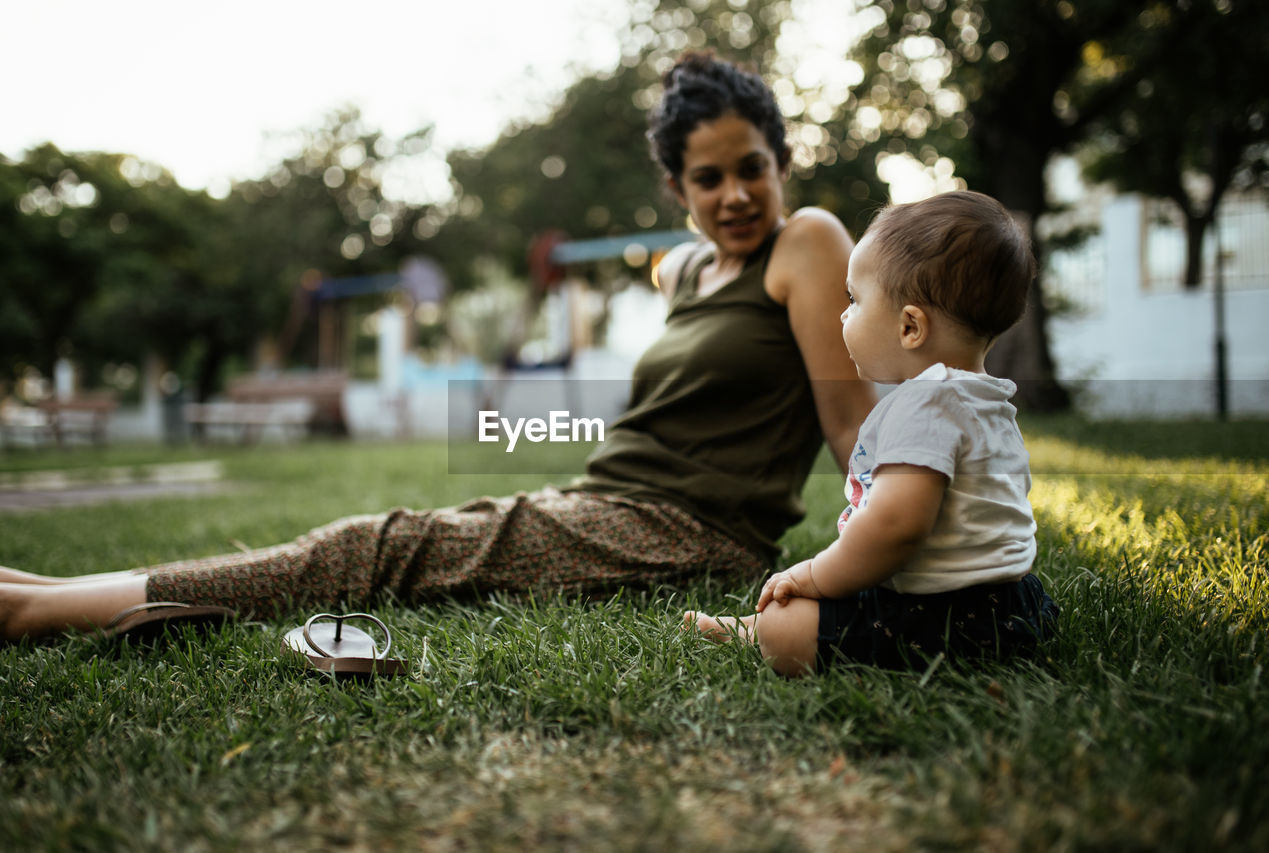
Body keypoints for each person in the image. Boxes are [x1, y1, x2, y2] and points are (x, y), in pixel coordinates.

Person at [0, 51, 875, 642]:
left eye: (751, 167)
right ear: (676, 186)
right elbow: (680, 273)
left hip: (689, 535)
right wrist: (694, 263)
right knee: (395, 540)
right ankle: (47, 588)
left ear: (782, 160)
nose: (734, 194)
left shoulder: (808, 242)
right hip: (610, 506)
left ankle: (37, 610)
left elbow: (849, 427)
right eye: (706, 178)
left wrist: (885, 551)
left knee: (383, 546)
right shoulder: (689, 274)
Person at [685, 190, 1060, 676]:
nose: (843, 315)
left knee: (788, 623)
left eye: (854, 300)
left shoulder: (925, 405)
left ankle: (752, 633)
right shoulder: (985, 399)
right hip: (1014, 603)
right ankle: (748, 626)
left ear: (910, 327)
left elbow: (895, 527)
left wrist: (813, 574)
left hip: (950, 615)